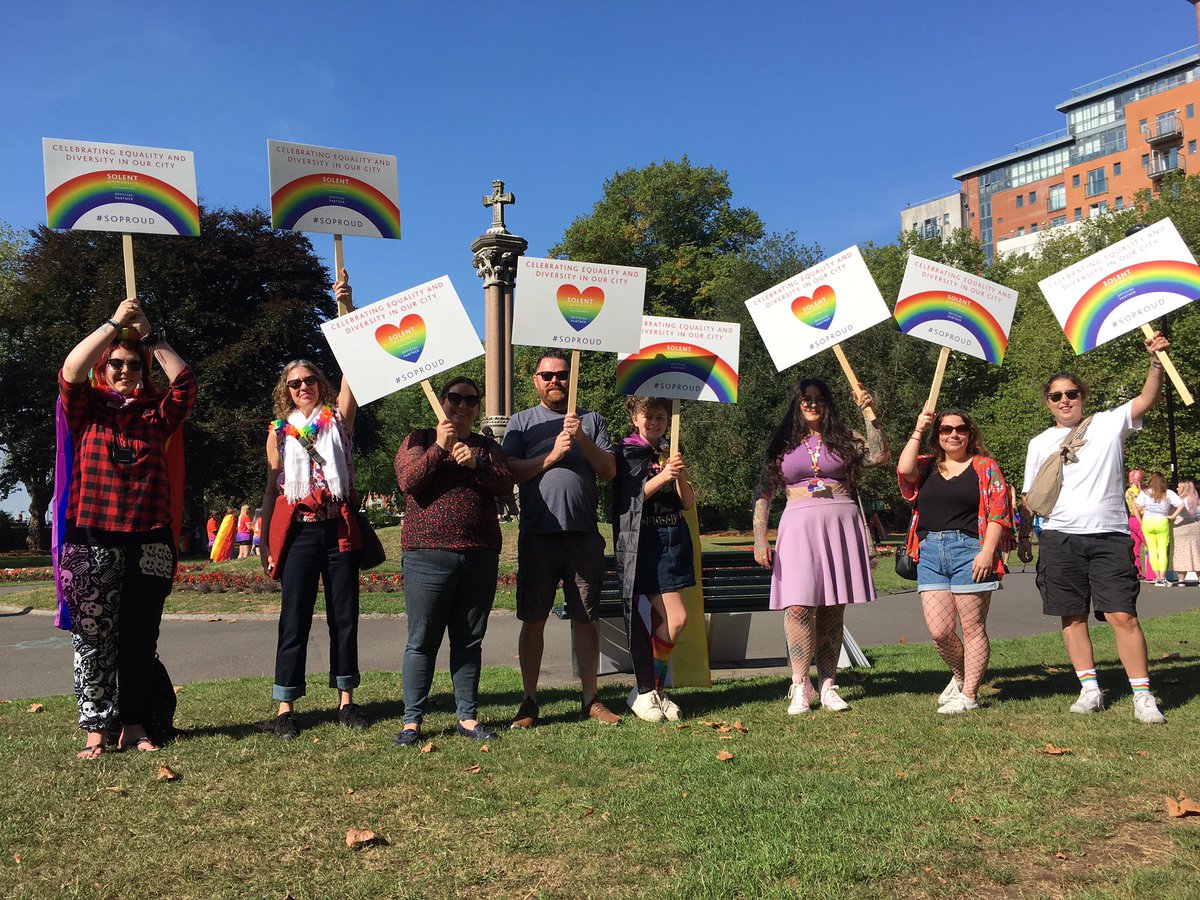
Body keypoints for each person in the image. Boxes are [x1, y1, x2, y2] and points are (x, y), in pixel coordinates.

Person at [56, 295, 196, 758]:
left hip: (149, 541)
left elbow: (186, 383)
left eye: (132, 365)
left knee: (140, 639)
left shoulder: (156, 414)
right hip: (91, 538)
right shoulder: (87, 408)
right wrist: (114, 324)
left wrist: (150, 336)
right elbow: (71, 370)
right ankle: (96, 728)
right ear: (105, 366)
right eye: (115, 363)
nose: (123, 371)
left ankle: (134, 726)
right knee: (94, 639)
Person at [1017, 332, 1171, 724]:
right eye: (1056, 396)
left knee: (1123, 615)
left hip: (1109, 535)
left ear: (1082, 396)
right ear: (1048, 403)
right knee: (1072, 617)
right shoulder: (1039, 443)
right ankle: (1090, 689)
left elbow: (1146, 399)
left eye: (1071, 393)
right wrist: (1023, 536)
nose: (1065, 400)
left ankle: (1143, 694)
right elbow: (1030, 496)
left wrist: (1155, 363)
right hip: (1059, 537)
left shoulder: (1107, 424)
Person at [260, 270, 367, 740]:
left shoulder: (339, 419)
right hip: (300, 530)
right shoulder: (277, 432)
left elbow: (357, 365)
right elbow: (273, 488)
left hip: (337, 527)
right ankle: (285, 705)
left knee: (345, 615)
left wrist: (345, 307)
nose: (304, 385)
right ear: (287, 390)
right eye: (296, 382)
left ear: (321, 384)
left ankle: (346, 700)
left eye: (310, 379)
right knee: (294, 615)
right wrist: (266, 539)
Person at [753, 377, 889, 714]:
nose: (812, 404)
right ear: (796, 403)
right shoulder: (782, 442)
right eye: (806, 399)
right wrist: (759, 537)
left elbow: (880, 455)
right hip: (798, 525)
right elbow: (764, 492)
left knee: (832, 607)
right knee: (798, 606)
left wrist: (870, 415)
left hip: (840, 523)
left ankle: (828, 684)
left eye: (819, 398)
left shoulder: (844, 438)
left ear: (828, 402)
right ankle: (800, 684)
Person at [501, 350, 620, 727]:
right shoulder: (521, 423)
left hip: (583, 535)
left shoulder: (592, 419)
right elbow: (509, 474)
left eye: (562, 375)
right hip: (538, 535)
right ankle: (529, 700)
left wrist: (581, 437)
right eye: (547, 375)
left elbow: (610, 471)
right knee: (533, 618)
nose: (555, 381)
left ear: (572, 379)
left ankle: (591, 699)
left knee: (586, 619)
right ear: (536, 381)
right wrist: (551, 457)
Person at [393, 376, 514, 746]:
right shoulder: (419, 439)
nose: (463, 406)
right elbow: (408, 481)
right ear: (442, 401)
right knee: (422, 640)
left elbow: (506, 485)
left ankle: (468, 716)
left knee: (469, 641)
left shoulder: (486, 446)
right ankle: (412, 721)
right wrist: (440, 449)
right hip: (427, 554)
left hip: (478, 555)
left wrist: (476, 464)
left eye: (471, 400)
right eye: (455, 398)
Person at [897, 409, 1012, 714]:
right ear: (938, 435)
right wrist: (918, 428)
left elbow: (999, 510)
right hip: (930, 551)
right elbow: (903, 467)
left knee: (973, 628)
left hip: (970, 550)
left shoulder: (984, 466)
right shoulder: (927, 467)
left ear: (970, 433)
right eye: (945, 429)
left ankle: (970, 696)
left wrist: (987, 552)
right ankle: (961, 677)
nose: (953, 434)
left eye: (960, 429)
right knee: (940, 633)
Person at [612, 397, 696, 722]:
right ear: (635, 418)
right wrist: (662, 477)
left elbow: (686, 503)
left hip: (674, 539)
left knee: (671, 621)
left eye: (661, 417)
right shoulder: (627, 452)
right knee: (676, 618)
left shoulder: (668, 451)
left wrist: (678, 474)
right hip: (644, 542)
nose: (655, 423)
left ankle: (652, 692)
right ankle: (649, 691)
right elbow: (628, 499)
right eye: (649, 417)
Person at [1133, 472, 1184, 587]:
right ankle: (1162, 577)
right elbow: (1181, 505)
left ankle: (1157, 577)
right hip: (1162, 521)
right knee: (1162, 550)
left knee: (1152, 550)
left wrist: (1141, 521)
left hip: (1148, 521)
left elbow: (1135, 506)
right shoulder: (1167, 493)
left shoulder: (1145, 493)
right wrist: (1172, 516)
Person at [1171, 479, 1200, 584]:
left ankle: (1181, 579)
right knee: (1196, 552)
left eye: (1179, 487)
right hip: (1195, 527)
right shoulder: (1195, 499)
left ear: (1184, 489)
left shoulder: (1180, 501)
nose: (1177, 489)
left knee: (1181, 552)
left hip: (1181, 527)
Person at [1125, 470, 1152, 580]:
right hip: (1139, 518)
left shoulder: (1127, 491)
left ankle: (1137, 571)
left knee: (1135, 547)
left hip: (1131, 519)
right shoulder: (1137, 492)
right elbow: (1141, 504)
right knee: (1150, 545)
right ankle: (1152, 573)